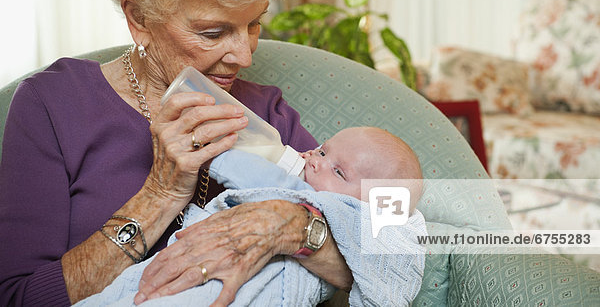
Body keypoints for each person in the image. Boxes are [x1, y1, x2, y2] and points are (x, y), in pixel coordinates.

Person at [0, 0, 353, 307]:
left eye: (254, 23)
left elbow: (387, 246)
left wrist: (291, 226)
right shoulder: (54, 106)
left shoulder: (267, 112)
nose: (243, 55)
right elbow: (20, 297)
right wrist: (160, 193)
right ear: (139, 18)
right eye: (212, 32)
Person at [76, 126, 426, 306]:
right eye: (322, 149)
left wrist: (213, 152)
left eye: (338, 171)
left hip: (258, 290)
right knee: (133, 287)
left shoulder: (312, 199)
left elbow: (250, 171)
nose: (313, 159)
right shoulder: (305, 177)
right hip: (195, 264)